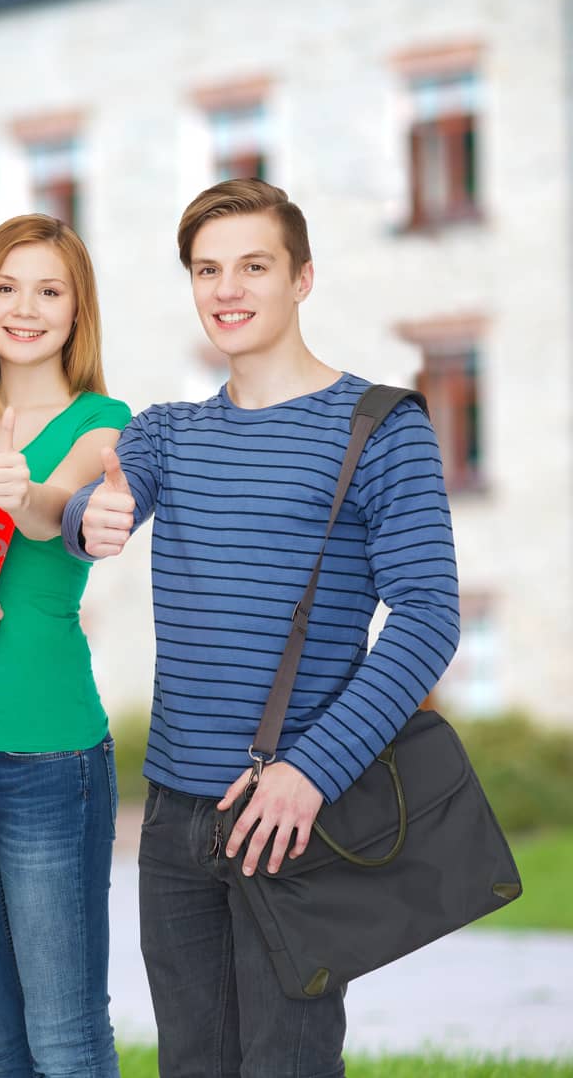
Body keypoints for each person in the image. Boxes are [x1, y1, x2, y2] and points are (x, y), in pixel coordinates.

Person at [63, 179, 461, 1077]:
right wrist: (90, 516)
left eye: (253, 265)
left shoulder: (380, 428)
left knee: (287, 1063)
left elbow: (429, 618)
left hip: (296, 816)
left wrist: (310, 774)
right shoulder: (171, 434)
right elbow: (97, 502)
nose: (227, 290)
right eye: (208, 270)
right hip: (173, 818)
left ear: (302, 278)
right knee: (190, 1065)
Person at [0, 214, 129, 1077]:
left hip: (50, 760)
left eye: (50, 290)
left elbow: (62, 516)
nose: (25, 308)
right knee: (0, 1047)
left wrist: (24, 492)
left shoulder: (106, 423)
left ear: (78, 313)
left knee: (67, 1040)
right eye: (7, 287)